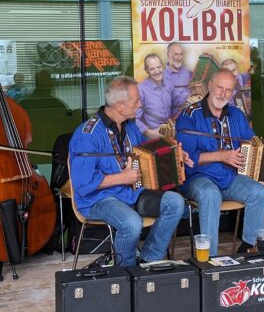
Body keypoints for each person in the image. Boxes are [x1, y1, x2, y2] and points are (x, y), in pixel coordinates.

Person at [177, 70, 264, 256]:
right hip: (198, 178)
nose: (223, 94)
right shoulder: (189, 115)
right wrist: (221, 156)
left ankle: (249, 248)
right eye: (220, 88)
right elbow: (186, 160)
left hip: (230, 178)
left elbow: (255, 147)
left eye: (228, 90)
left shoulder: (236, 114)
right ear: (209, 85)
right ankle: (209, 257)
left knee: (259, 192)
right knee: (211, 195)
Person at [68, 76, 186, 267]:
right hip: (98, 200)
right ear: (120, 106)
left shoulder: (130, 127)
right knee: (131, 223)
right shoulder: (87, 135)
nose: (140, 104)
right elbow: (83, 184)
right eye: (136, 101)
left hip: (130, 193)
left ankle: (149, 259)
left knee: (175, 202)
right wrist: (121, 178)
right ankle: (126, 271)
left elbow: (147, 152)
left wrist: (176, 154)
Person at [136, 53, 180, 138]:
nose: (157, 71)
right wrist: (149, 133)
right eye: (152, 69)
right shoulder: (140, 90)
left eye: (159, 67)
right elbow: (133, 119)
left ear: (162, 66)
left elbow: (174, 107)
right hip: (151, 139)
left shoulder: (169, 83)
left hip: (169, 136)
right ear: (146, 71)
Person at [163, 42, 192, 110]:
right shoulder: (162, 77)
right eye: (176, 54)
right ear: (169, 55)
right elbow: (170, 101)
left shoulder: (188, 73)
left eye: (181, 54)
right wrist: (189, 96)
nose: (179, 58)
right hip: (174, 115)